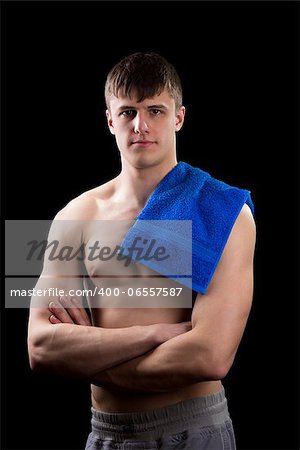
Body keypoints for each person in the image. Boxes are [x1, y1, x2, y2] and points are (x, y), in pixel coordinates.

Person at [27, 52, 256, 450]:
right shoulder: (76, 216)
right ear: (110, 120)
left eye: (155, 110)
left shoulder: (224, 211)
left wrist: (91, 358)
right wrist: (151, 334)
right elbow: (42, 347)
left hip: (193, 429)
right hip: (106, 433)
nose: (141, 125)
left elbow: (209, 356)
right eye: (128, 111)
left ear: (179, 118)